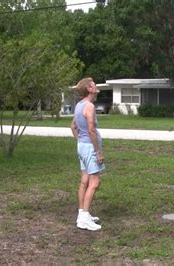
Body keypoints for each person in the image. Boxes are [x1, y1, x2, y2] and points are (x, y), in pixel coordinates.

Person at [70, 77, 105, 231]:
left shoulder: (79, 105)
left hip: (82, 146)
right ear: (89, 89)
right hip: (89, 147)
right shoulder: (89, 106)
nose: (96, 86)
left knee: (85, 180)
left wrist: (80, 141)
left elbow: (73, 126)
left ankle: (82, 213)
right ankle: (84, 218)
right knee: (95, 182)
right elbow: (91, 129)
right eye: (93, 85)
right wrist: (97, 151)